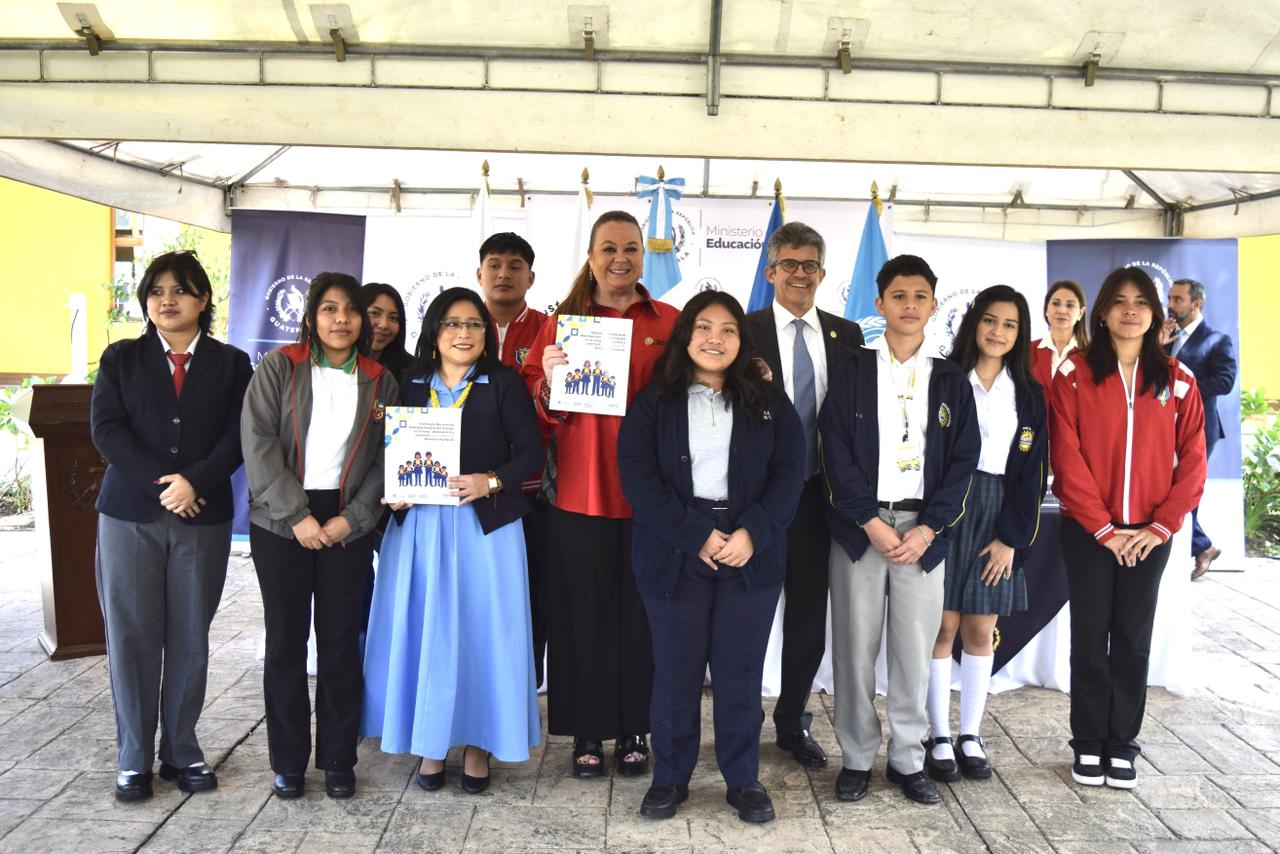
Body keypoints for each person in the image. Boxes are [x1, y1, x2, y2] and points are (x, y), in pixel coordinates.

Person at [618, 291, 804, 823]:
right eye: (703, 327)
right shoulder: (655, 401)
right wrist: (696, 534)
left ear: (743, 341)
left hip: (750, 551)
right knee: (675, 670)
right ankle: (670, 778)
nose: (714, 339)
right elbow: (639, 478)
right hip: (675, 550)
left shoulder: (768, 401)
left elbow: (790, 473)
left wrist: (753, 533)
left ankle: (743, 779)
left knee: (739, 672)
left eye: (727, 329)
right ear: (686, 336)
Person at [363, 287, 543, 794]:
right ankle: (431, 742)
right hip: (420, 528)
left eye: (474, 324)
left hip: (486, 530)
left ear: (486, 333)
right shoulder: (408, 381)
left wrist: (492, 480)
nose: (463, 333)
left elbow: (532, 452)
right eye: (452, 323)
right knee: (427, 631)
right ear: (434, 331)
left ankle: (480, 744)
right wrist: (392, 492)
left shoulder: (503, 382)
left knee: (482, 633)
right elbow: (383, 451)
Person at [521, 210, 679, 778]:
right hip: (579, 494)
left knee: (642, 617)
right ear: (590, 257)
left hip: (649, 498)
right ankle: (586, 729)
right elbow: (533, 406)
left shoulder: (671, 321)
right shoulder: (560, 324)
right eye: (608, 248)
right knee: (580, 616)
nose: (620, 258)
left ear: (644, 256)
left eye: (631, 248)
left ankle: (636, 726)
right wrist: (549, 380)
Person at [90, 251, 252, 802]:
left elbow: (239, 435)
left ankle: (182, 749)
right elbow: (107, 429)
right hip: (130, 516)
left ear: (203, 299)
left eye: (180, 290)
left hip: (202, 517)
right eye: (156, 291)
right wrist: (165, 485)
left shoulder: (232, 364)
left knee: (189, 635)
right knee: (132, 636)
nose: (167, 300)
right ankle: (133, 756)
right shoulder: (121, 358)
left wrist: (195, 481)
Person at [819, 254, 980, 806]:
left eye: (920, 297)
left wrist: (929, 528)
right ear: (879, 303)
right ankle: (857, 757)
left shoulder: (950, 378)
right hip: (860, 529)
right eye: (899, 296)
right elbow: (834, 447)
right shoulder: (854, 369)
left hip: (921, 534)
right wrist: (867, 519)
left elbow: (963, 461)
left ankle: (908, 759)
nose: (909, 305)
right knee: (854, 651)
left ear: (933, 305)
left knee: (914, 653)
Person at [241, 272, 398, 800]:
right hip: (281, 519)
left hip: (346, 521)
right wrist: (297, 517)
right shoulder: (279, 366)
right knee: (286, 643)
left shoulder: (379, 379)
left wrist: (351, 518)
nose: (341, 319)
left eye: (351, 309)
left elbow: (386, 458)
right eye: (329, 309)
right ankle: (288, 761)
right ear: (311, 316)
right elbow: (258, 443)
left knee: (339, 642)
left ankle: (337, 759)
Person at [1052, 266, 1206, 790]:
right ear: (1101, 312)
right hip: (1088, 532)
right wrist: (1102, 528)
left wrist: (1161, 526)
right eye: (1119, 301)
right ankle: (1088, 742)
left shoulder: (1178, 380)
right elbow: (1066, 455)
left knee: (1133, 639)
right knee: (1089, 637)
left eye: (1142, 302)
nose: (1131, 310)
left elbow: (1194, 461)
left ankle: (1122, 744)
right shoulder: (1074, 374)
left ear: (1156, 315)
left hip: (1149, 534)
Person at [745, 221, 863, 769]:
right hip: (758, 499)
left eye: (809, 265)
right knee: (748, 612)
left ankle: (792, 721)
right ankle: (742, 721)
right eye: (789, 264)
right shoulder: (743, 331)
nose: (799, 273)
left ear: (822, 273)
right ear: (771, 272)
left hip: (821, 498)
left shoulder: (847, 335)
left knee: (809, 616)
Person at [924, 286, 1048, 784]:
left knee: (979, 628)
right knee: (941, 626)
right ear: (974, 323)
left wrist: (1011, 538)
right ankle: (937, 735)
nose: (998, 332)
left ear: (1020, 334)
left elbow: (1032, 474)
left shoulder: (1029, 394)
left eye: (1010, 325)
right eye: (990, 320)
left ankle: (970, 734)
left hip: (998, 513)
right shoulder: (945, 379)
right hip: (947, 505)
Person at [476, 232, 551, 686]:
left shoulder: (550, 329)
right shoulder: (462, 327)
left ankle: (524, 689)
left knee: (532, 592)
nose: (504, 274)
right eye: (495, 264)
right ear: (479, 273)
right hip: (471, 491)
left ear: (531, 277)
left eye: (515, 266)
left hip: (533, 489)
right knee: (477, 596)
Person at [1161, 277, 1237, 579]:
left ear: (1197, 304)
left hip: (1200, 429)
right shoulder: (1166, 337)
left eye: (1177, 299)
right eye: (1170, 298)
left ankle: (1199, 546)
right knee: (1167, 489)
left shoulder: (1217, 340)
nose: (1170, 304)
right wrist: (1158, 348)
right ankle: (1202, 546)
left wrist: (1184, 388)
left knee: (1186, 488)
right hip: (1164, 428)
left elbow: (1225, 381)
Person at [1031, 280, 1089, 395]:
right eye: (1056, 303)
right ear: (1046, 309)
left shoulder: (1092, 354)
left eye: (1070, 305)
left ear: (1080, 313)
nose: (1062, 311)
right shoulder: (1027, 351)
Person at [361, 282, 414, 379]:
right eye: (374, 313)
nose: (384, 325)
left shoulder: (413, 371)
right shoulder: (335, 364)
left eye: (393, 318)